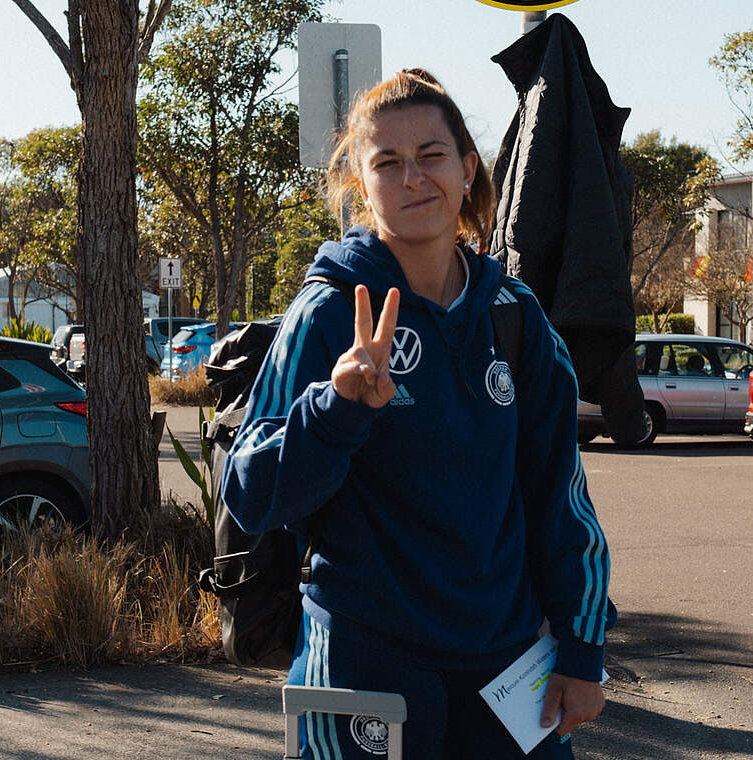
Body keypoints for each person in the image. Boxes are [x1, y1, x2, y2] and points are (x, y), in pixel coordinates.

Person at [220, 69, 613, 759]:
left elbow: (561, 498)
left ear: (466, 171)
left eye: (430, 156)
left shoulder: (515, 318)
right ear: (361, 187)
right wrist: (336, 408)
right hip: (365, 663)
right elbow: (251, 496)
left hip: (508, 666)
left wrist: (582, 649)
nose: (413, 179)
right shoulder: (328, 313)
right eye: (387, 164)